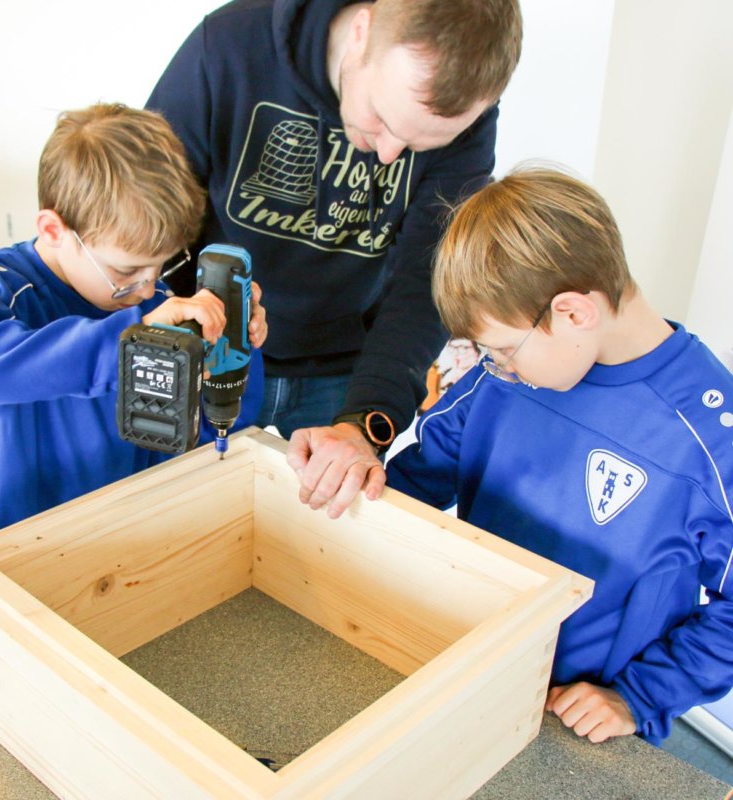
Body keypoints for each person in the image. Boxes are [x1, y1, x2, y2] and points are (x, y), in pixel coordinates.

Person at [386, 166, 733, 745]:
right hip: (467, 658)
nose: (494, 366)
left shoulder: (711, 437)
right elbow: (425, 472)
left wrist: (639, 697)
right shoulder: (503, 379)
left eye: (500, 349)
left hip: (575, 717)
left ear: (574, 313)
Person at [145, 0, 523, 518]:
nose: (388, 154)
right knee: (177, 517)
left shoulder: (468, 121)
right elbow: (149, 210)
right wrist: (175, 331)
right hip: (217, 348)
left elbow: (426, 278)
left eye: (417, 144)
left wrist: (365, 419)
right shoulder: (228, 47)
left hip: (348, 368)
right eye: (383, 118)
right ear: (362, 32)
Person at [0, 103, 266, 545]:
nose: (149, 290)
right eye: (127, 272)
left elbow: (202, 438)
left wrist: (233, 349)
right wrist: (122, 347)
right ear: (54, 231)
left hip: (126, 534)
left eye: (161, 267)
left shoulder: (150, 303)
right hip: (11, 549)